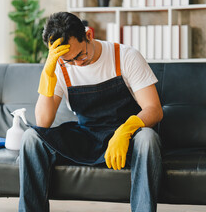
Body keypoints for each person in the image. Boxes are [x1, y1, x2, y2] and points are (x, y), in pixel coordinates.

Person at [18, 12, 163, 212]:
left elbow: (154, 109)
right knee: (31, 137)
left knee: (147, 138)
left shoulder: (126, 56)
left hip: (126, 138)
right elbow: (43, 122)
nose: (77, 63)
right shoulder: (61, 65)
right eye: (69, 60)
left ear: (89, 35)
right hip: (86, 136)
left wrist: (126, 130)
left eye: (80, 55)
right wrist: (48, 74)